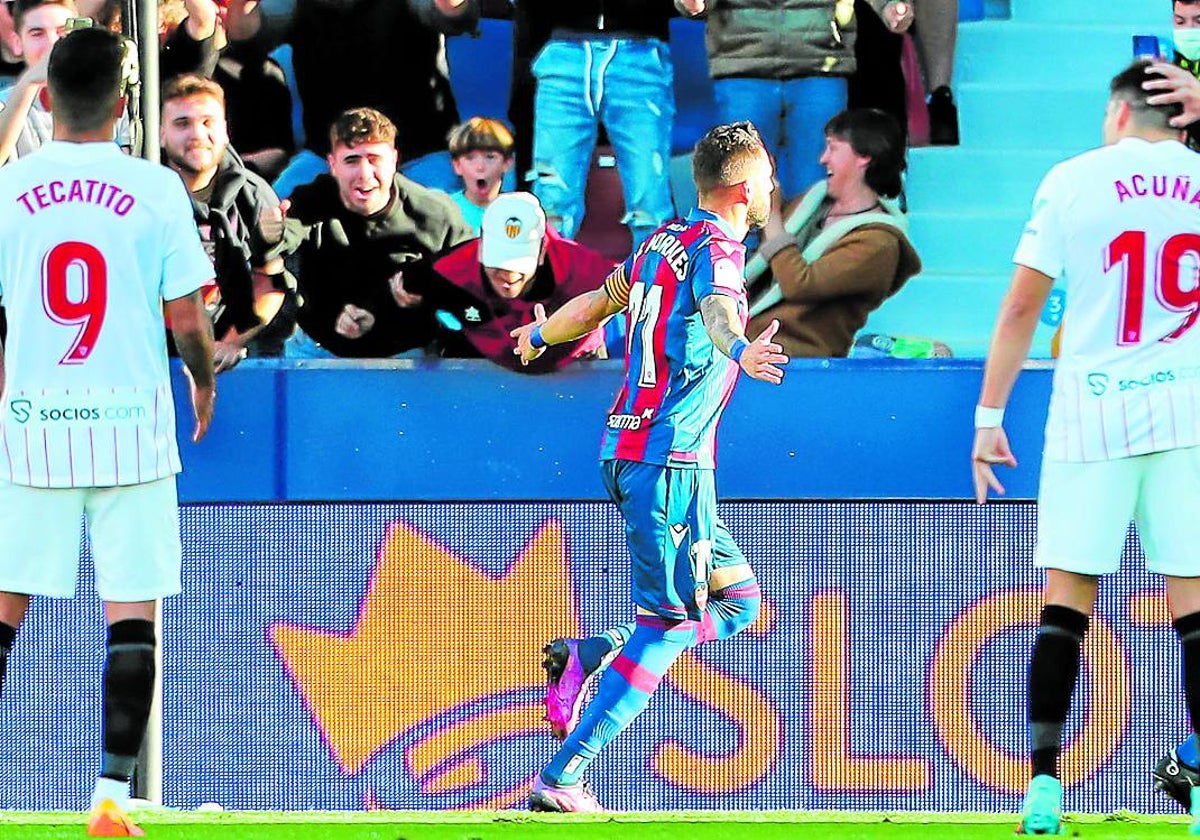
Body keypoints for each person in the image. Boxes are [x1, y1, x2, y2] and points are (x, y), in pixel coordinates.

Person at [510, 121, 788, 811]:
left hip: (634, 452)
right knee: (666, 628)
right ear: (746, 187)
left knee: (741, 604)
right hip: (669, 462)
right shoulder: (719, 250)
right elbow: (721, 310)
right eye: (771, 181)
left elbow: (598, 305)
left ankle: (594, 652)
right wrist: (740, 349)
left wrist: (541, 331)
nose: (774, 191)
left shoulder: (661, 241)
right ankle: (562, 777)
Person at [971, 61, 1200, 835]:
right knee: (1194, 609)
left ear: (1116, 112)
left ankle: (1044, 790)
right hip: (1188, 414)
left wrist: (987, 416)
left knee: (1066, 606)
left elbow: (1021, 308)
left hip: (1093, 416)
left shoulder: (1071, 180)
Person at [0, 27, 215, 837]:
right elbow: (189, 314)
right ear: (127, 106)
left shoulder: (9, 189)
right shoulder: (156, 188)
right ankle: (112, 798)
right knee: (131, 617)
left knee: (3, 613)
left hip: (30, 428)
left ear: (48, 100)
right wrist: (203, 376)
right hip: (127, 426)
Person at [264, 107, 474, 359]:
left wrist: (427, 292)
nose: (364, 174)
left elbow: (471, 283)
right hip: (319, 348)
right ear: (332, 165)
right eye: (351, 160)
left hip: (405, 354)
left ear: (395, 160)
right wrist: (268, 235)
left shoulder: (434, 214)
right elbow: (275, 247)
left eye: (374, 159)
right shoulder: (311, 200)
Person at [222, 0, 479, 199]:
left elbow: (454, 14)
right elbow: (246, 35)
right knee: (270, 214)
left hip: (419, 152)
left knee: (453, 222)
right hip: (327, 156)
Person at [678, 0, 912, 202]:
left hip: (819, 68)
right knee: (740, 188)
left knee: (815, 190)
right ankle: (744, 253)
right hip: (742, 69)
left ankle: (807, 251)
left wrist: (891, 5)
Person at [744, 108, 921, 358]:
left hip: (796, 358)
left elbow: (799, 285)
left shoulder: (880, 243)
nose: (823, 159)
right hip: (747, 342)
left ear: (864, 157)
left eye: (833, 148)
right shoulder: (812, 203)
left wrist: (772, 217)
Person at [395, 191, 612, 371]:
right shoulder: (449, 271)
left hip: (576, 369)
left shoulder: (584, 270)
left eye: (519, 262)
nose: (508, 275)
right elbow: (399, 287)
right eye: (498, 261)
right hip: (490, 370)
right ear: (481, 248)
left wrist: (551, 330)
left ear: (541, 252)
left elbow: (637, 292)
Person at [522, 0, 678, 249]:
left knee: (649, 198)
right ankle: (548, 282)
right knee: (552, 199)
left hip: (640, 47)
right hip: (563, 45)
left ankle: (654, 284)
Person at [161, 73, 288, 367]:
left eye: (208, 122)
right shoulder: (138, 194)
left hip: (229, 355)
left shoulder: (253, 195)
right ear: (161, 134)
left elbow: (269, 284)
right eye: (182, 123)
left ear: (226, 131)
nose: (196, 134)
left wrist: (229, 343)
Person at [446, 116, 515, 235]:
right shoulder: (446, 211)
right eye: (470, 158)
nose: (480, 167)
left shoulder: (518, 212)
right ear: (457, 166)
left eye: (490, 157)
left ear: (507, 163)